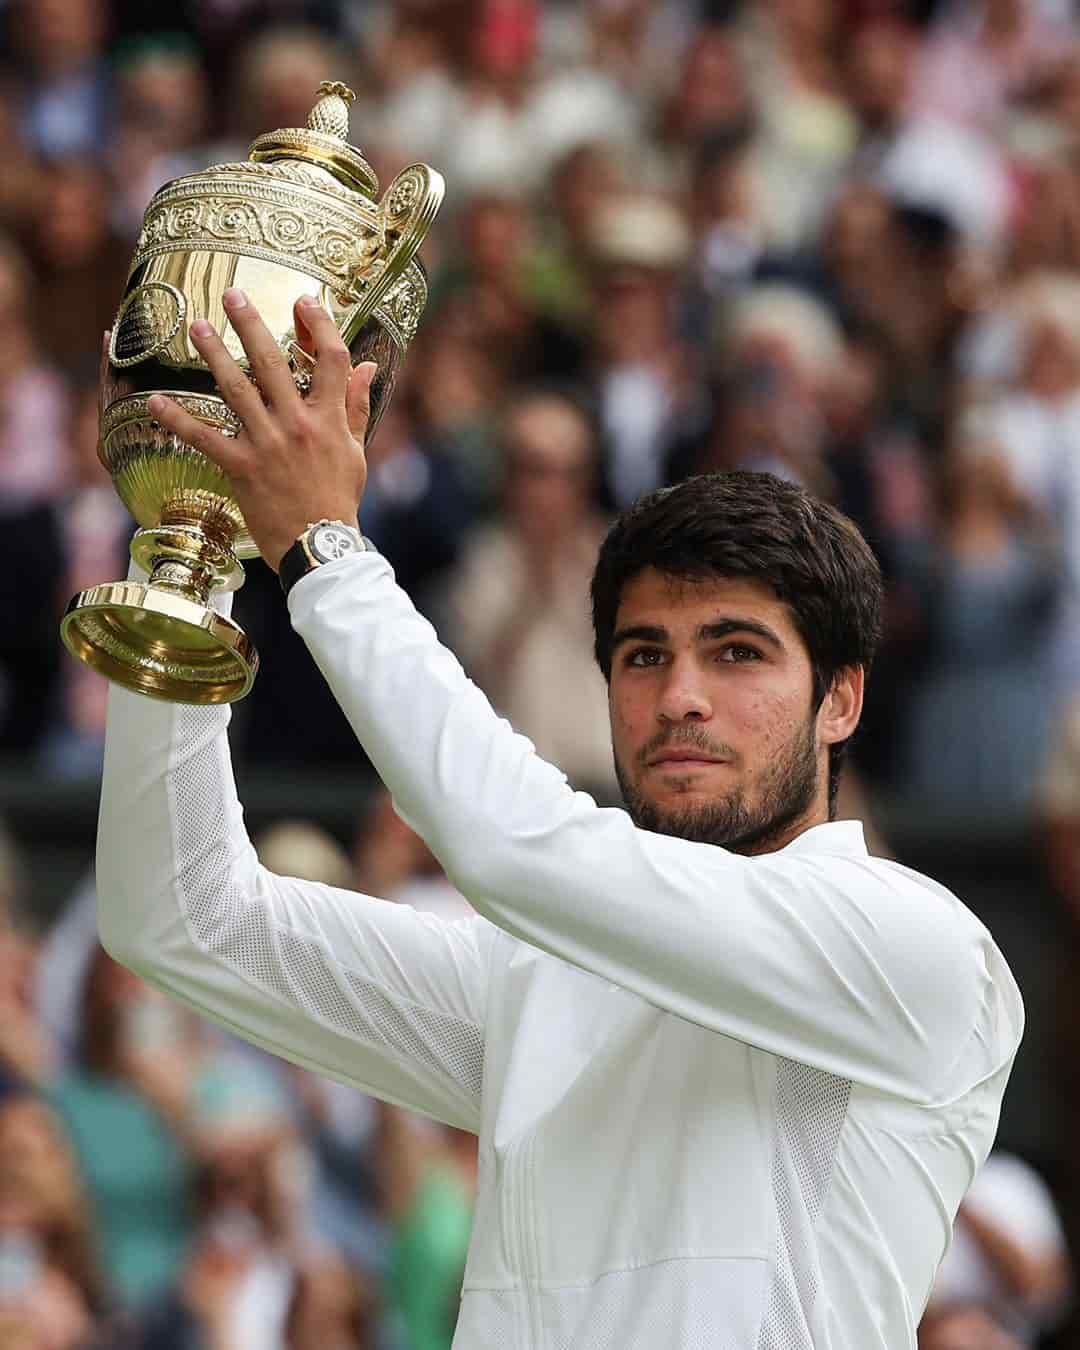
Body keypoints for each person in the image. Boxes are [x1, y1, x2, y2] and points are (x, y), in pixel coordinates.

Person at [95, 291, 1024, 1350]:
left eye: (737, 652)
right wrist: (189, 552)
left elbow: (511, 850)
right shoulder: (537, 979)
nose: (680, 695)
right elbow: (181, 915)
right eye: (643, 656)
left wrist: (322, 549)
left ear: (842, 702)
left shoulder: (922, 947)